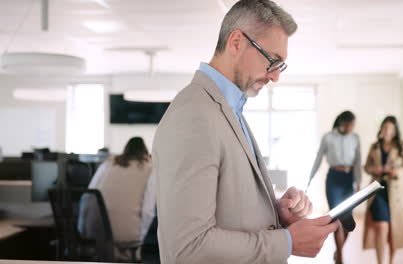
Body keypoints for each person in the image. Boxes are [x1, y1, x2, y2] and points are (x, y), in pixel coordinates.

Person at [151, 0, 339, 263]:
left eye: (280, 66)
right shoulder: (193, 115)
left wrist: (274, 211)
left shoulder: (228, 108)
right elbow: (188, 246)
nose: (275, 76)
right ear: (237, 42)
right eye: (273, 61)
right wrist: (287, 242)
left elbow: (226, 208)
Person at [363, 116, 403, 264]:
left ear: (395, 131)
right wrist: (374, 169)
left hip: (397, 193)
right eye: (384, 127)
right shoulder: (375, 146)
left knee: (393, 230)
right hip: (378, 191)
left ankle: (390, 261)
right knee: (381, 226)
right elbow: (366, 167)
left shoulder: (401, 146)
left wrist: (396, 172)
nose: (387, 131)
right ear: (381, 129)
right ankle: (380, 262)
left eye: (390, 128)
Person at [306, 110, 361, 264]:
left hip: (348, 180)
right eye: (349, 125)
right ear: (341, 123)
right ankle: (341, 260)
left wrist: (358, 182)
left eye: (353, 126)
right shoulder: (328, 137)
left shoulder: (355, 138)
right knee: (336, 217)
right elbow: (318, 159)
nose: (351, 128)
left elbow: (358, 161)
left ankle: (339, 251)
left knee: (348, 222)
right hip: (333, 179)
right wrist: (310, 179)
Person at [82, 137, 155, 248]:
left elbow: (87, 197)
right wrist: (140, 239)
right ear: (145, 151)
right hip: (123, 239)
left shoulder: (108, 164)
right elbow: (148, 211)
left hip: (92, 233)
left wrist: (82, 229)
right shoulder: (149, 168)